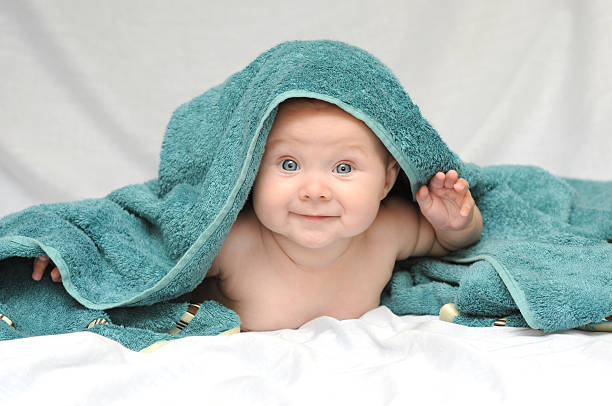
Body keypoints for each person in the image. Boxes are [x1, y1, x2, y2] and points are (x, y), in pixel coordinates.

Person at [32, 97, 483, 332]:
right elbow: (146, 259)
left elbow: (449, 245)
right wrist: (78, 260)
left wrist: (455, 221)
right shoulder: (234, 241)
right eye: (289, 165)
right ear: (249, 172)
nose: (314, 191)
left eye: (343, 168)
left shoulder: (387, 230)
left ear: (387, 183)